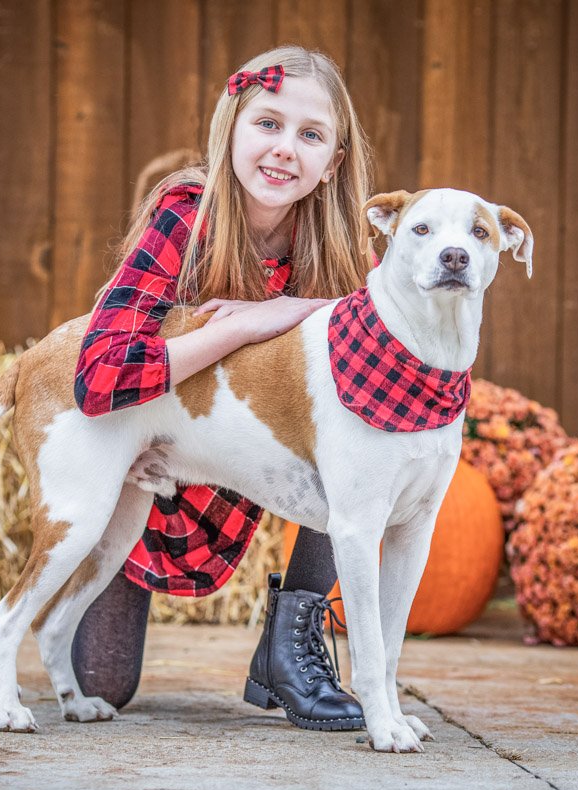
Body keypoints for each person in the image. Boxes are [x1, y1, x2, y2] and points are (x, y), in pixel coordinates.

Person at [72, 45, 373, 731]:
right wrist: (238, 330)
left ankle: (291, 645)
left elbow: (382, 351)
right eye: (267, 123)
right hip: (149, 461)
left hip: (252, 462)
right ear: (230, 129)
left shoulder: (341, 246)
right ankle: (103, 563)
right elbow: (100, 376)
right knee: (105, 686)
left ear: (333, 163)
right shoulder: (187, 218)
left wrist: (289, 311)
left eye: (310, 135)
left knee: (360, 448)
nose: (284, 150)